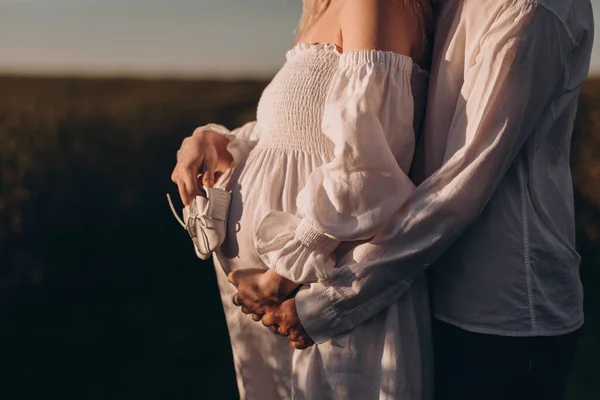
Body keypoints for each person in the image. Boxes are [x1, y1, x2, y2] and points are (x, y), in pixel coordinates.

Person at [226, 0, 594, 400]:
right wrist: (224, 141)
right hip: (419, 286)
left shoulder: (530, 6)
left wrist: (330, 302)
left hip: (499, 314)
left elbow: (461, 183)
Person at [171, 0, 433, 399]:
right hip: (282, 305)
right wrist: (215, 140)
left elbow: (369, 166)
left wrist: (283, 273)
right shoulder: (326, 11)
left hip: (320, 291)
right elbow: (294, 135)